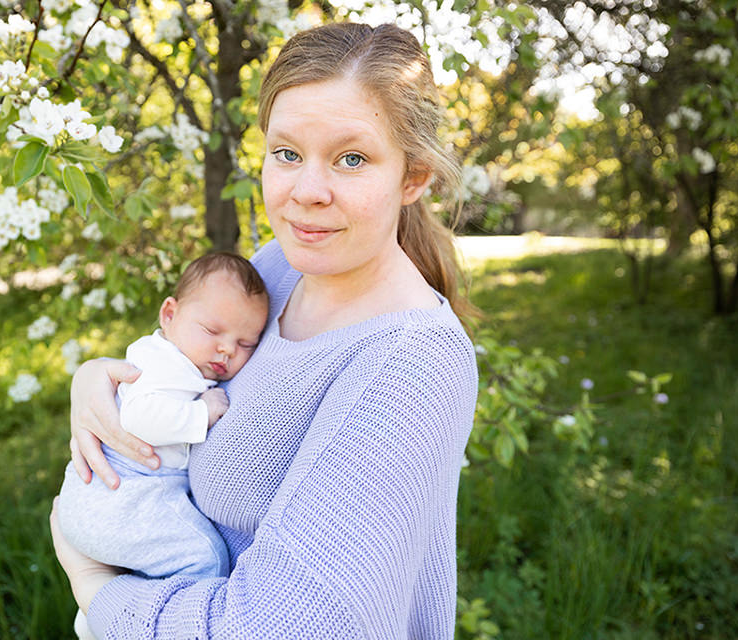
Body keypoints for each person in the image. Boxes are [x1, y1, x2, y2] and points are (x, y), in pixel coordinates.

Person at [51, 21, 479, 639]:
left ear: (412, 176)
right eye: (287, 153)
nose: (306, 192)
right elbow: (181, 363)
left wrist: (97, 589)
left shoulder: (410, 365)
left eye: (351, 158)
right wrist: (96, 385)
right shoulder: (277, 267)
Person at [56, 252, 269, 640]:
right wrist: (200, 414)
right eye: (212, 331)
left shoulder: (173, 357)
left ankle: (96, 617)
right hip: (122, 498)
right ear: (169, 315)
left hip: (105, 501)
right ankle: (121, 618)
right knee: (203, 556)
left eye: (245, 343)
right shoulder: (165, 366)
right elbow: (139, 419)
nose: (226, 350)